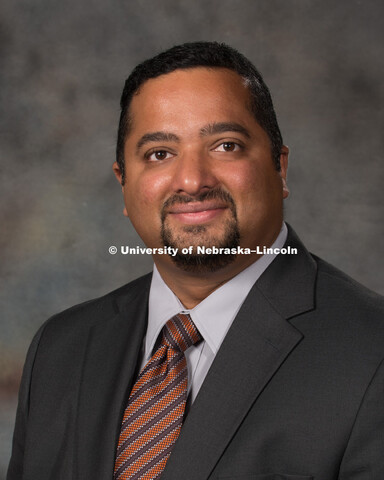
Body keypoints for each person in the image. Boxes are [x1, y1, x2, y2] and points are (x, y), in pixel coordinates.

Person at [7, 42, 384, 480]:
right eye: (159, 154)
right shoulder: (61, 349)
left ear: (280, 169)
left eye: (226, 145)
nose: (192, 180)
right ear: (124, 183)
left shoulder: (371, 353)